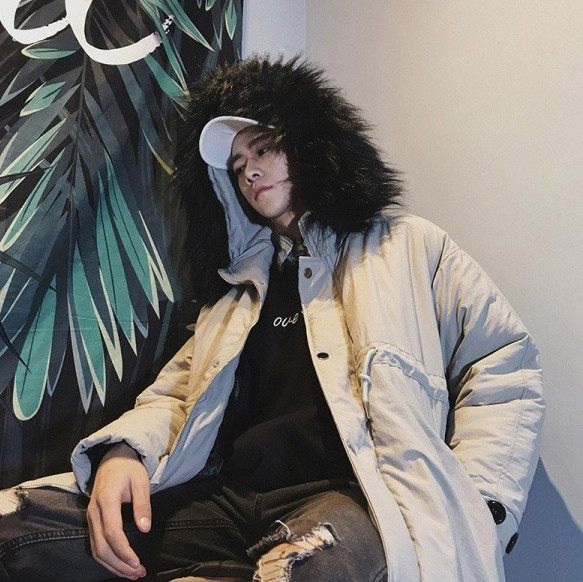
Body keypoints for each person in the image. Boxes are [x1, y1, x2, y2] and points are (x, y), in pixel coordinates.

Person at [0, 56, 544, 582]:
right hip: (227, 502)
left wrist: (484, 505)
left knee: (312, 562)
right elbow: (176, 396)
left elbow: (503, 364)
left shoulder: (408, 248)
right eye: (237, 167)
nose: (250, 171)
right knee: (15, 529)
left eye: (263, 148)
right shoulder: (236, 295)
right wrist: (124, 451)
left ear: (312, 142)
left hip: (348, 502)